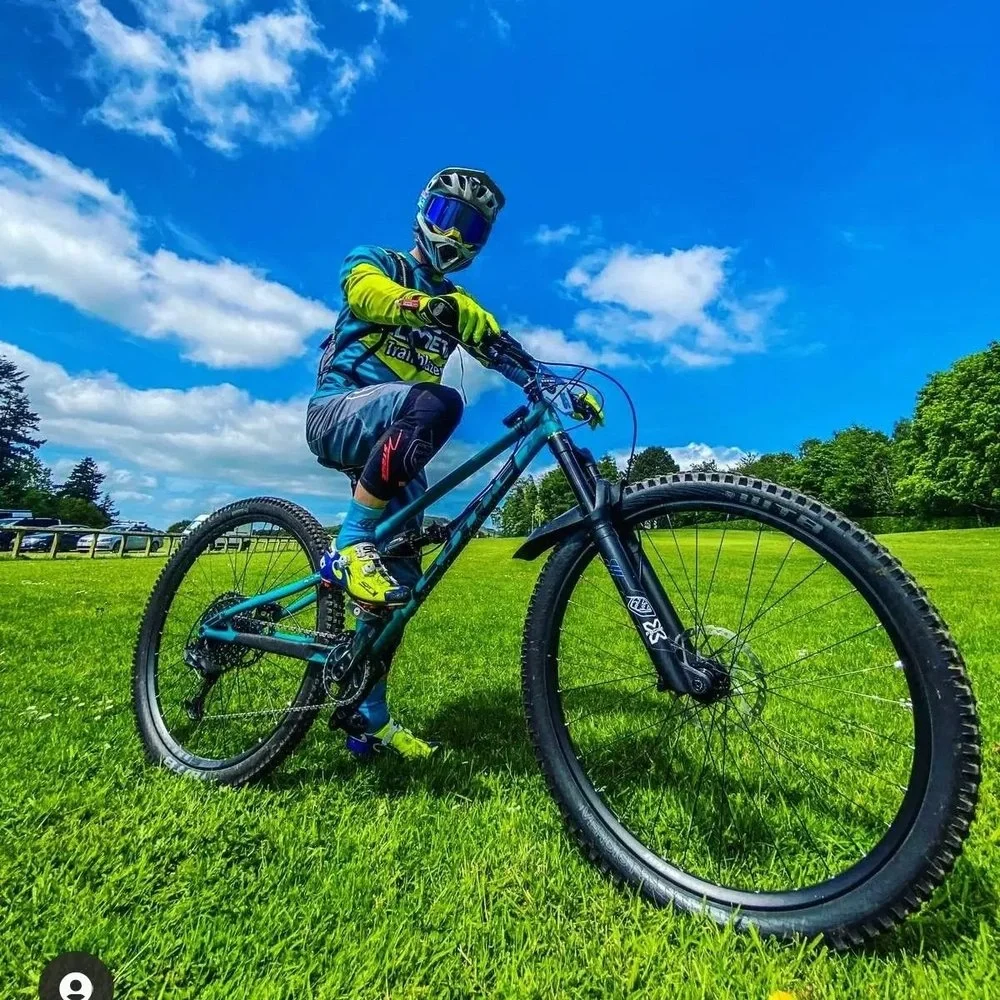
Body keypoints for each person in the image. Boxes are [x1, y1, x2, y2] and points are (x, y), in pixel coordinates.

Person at [305, 167, 602, 760]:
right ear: (423, 213)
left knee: (400, 589)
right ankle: (349, 544)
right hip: (341, 411)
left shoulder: (461, 304)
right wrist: (424, 305)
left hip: (399, 443)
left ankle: (365, 718)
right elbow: (364, 293)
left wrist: (553, 383)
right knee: (439, 400)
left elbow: (502, 349)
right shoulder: (380, 262)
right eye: (448, 219)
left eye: (473, 231)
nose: (457, 238)